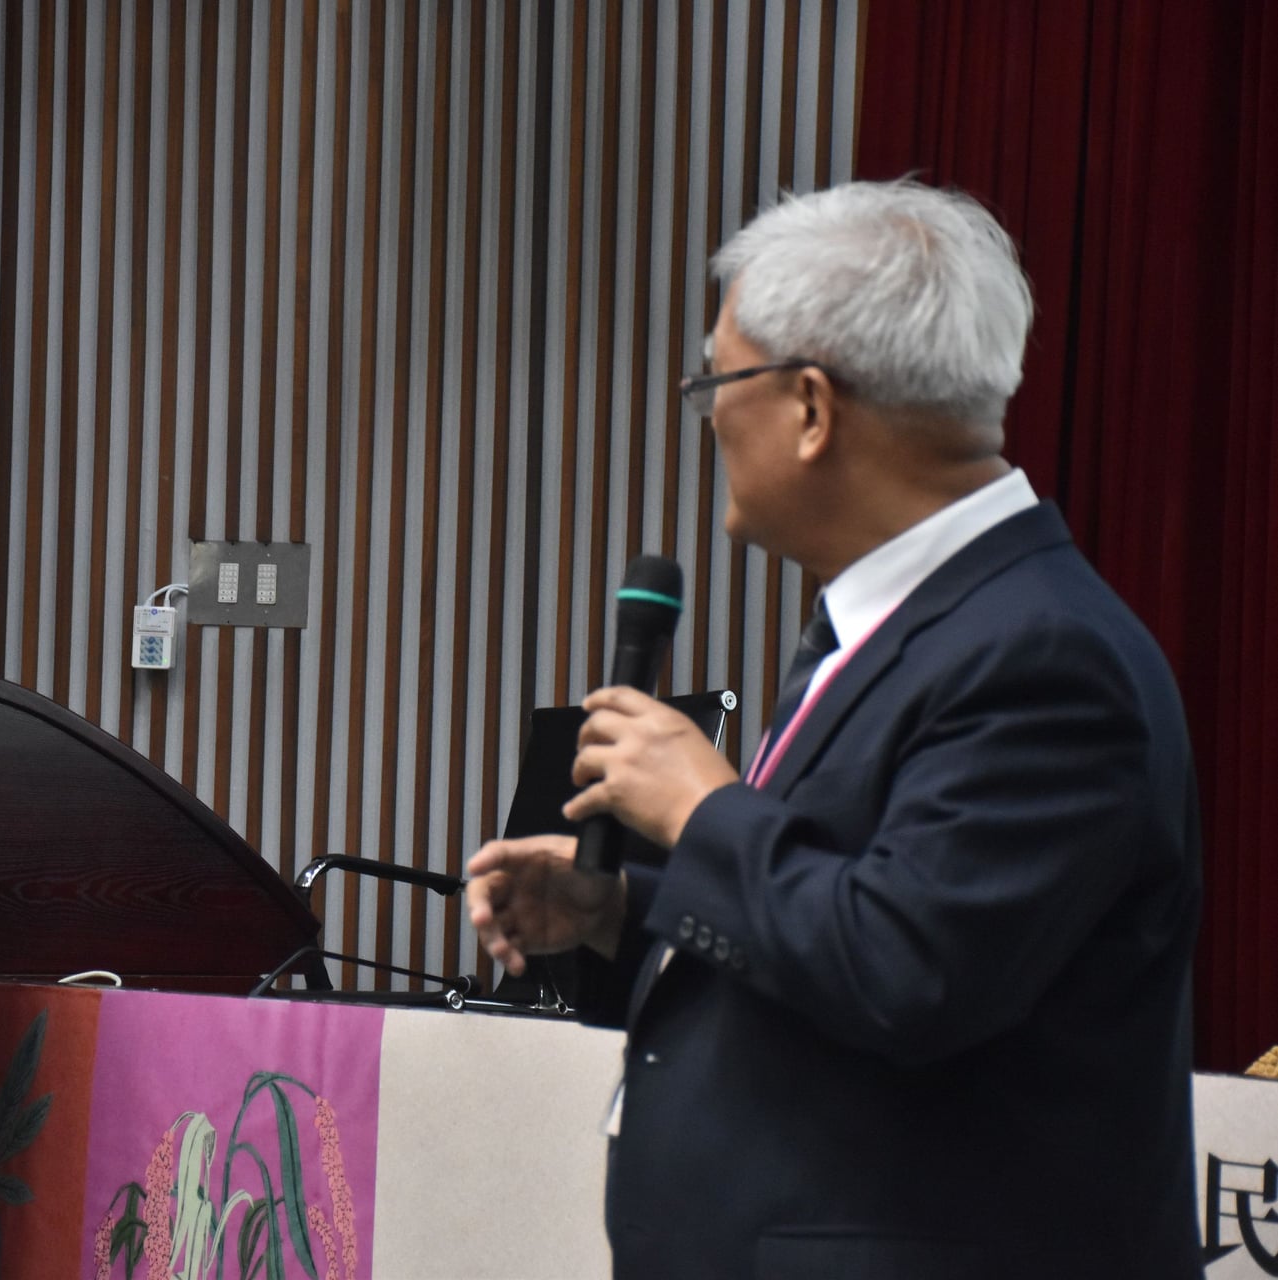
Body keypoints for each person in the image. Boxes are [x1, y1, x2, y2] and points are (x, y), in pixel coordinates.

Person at [467, 180, 1203, 1278]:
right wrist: (629, 911)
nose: (708, 413)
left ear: (811, 407)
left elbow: (909, 972)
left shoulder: (1044, 655)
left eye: (715, 379)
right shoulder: (901, 624)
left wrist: (703, 809)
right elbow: (848, 911)